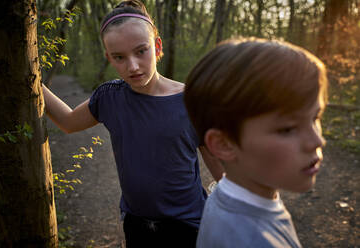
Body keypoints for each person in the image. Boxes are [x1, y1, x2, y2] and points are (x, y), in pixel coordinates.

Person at [42, 1, 223, 247]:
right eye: (119, 57)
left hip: (189, 226)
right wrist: (32, 80)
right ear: (108, 58)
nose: (133, 66)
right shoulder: (109, 98)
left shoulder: (192, 101)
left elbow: (220, 169)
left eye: (141, 51)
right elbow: (68, 122)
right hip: (136, 225)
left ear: (157, 47)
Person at [184, 38, 328, 248]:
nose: (317, 140)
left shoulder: (224, 193)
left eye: (315, 118)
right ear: (224, 144)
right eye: (287, 129)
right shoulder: (254, 241)